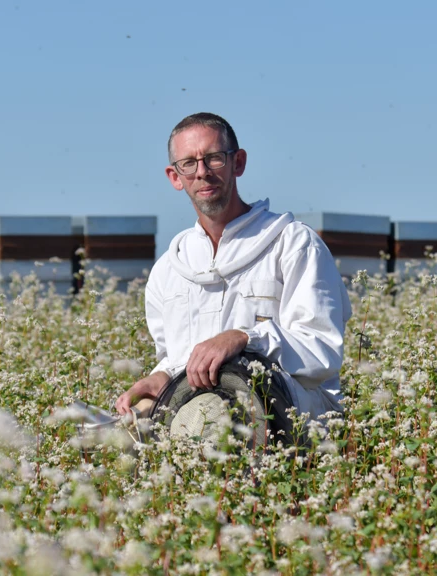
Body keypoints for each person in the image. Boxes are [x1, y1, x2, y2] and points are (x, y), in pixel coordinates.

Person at [115, 112, 352, 423]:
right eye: (188, 163)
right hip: (201, 430)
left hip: (292, 433)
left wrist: (245, 338)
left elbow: (322, 351)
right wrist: (161, 377)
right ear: (175, 177)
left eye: (214, 158)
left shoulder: (292, 244)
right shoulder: (169, 271)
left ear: (238, 162)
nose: (202, 172)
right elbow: (177, 359)